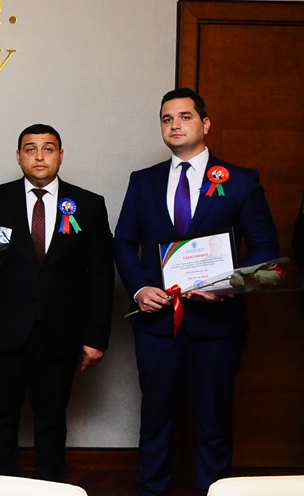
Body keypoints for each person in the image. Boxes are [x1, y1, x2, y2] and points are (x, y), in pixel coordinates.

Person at [114, 88, 279, 496]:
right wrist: (139, 289)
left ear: (205, 124)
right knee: (155, 418)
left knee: (214, 419)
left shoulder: (240, 180)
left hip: (218, 325)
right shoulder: (143, 181)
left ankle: (214, 491)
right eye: (167, 118)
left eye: (185, 117)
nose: (175, 125)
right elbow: (123, 242)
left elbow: (265, 248)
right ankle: (151, 491)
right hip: (157, 324)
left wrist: (229, 285)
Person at [0, 124, 114, 482]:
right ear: (18, 157)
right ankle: (1, 485)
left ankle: (50, 486)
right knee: (1, 416)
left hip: (61, 333)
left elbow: (102, 277)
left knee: (52, 419)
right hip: (4, 331)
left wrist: (95, 337)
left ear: (61, 155)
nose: (39, 156)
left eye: (48, 148)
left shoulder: (89, 205)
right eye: (30, 149)